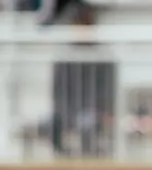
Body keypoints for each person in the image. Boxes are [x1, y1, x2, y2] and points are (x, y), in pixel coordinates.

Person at [49, 8, 116, 159]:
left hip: (94, 111)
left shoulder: (104, 57)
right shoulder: (64, 58)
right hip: (69, 110)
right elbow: (58, 93)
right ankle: (59, 160)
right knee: (54, 121)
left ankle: (88, 161)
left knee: (87, 121)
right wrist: (66, 113)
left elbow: (107, 91)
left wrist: (100, 111)